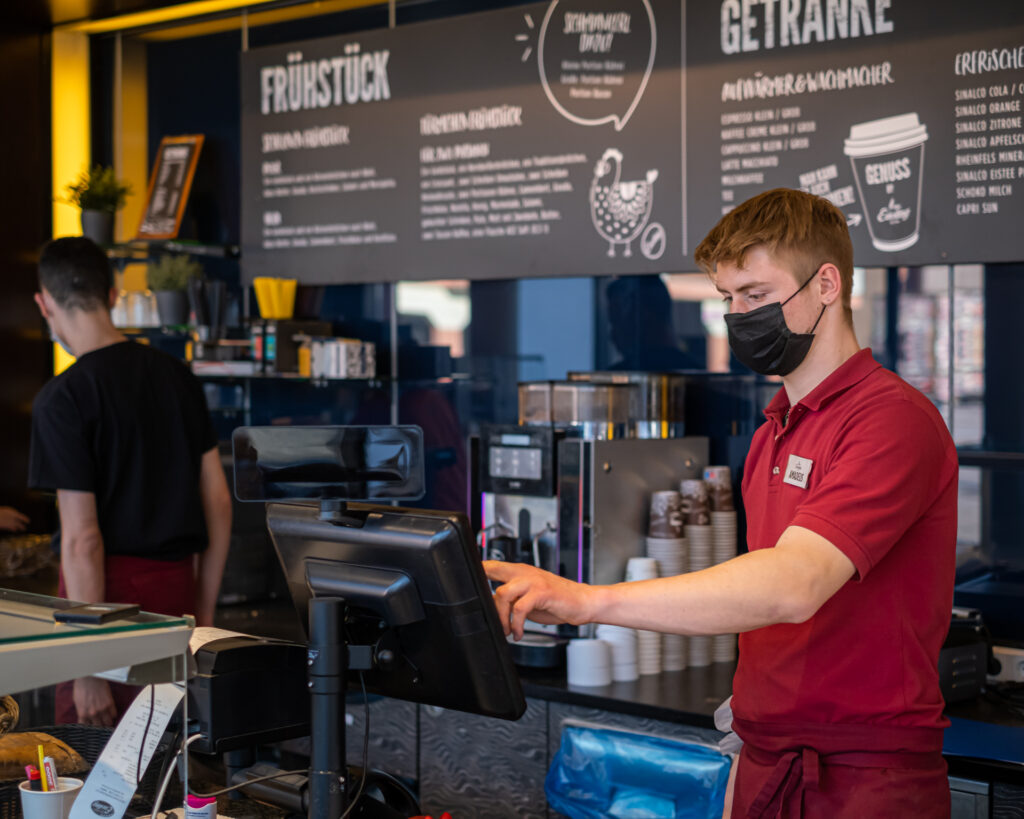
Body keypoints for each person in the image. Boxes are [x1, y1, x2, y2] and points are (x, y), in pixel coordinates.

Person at [485, 188, 957, 817]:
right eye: (728, 299)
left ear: (826, 285)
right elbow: (764, 611)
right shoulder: (774, 432)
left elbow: (793, 585)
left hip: (863, 780)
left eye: (757, 296)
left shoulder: (891, 420)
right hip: (763, 762)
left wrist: (587, 600)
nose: (739, 317)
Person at [28, 237, 233, 727]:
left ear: (44, 302)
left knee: (101, 780)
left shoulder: (63, 399)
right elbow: (220, 501)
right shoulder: (177, 376)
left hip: (102, 608)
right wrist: (200, 611)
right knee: (167, 767)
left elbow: (82, 540)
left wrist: (88, 665)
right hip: (177, 593)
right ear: (115, 293)